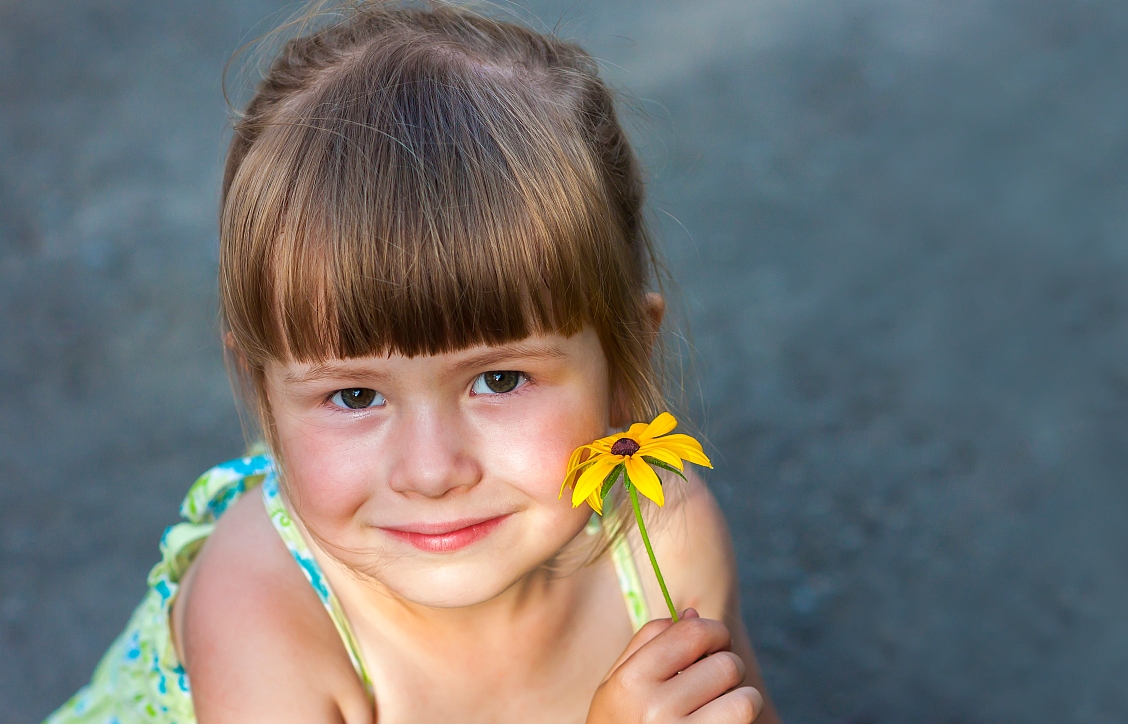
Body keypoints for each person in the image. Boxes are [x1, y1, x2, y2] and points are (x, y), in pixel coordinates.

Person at [45, 2, 779, 722]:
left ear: (625, 364)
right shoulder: (262, 617)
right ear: (261, 392)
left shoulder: (666, 540)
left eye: (500, 379)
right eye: (357, 395)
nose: (432, 473)